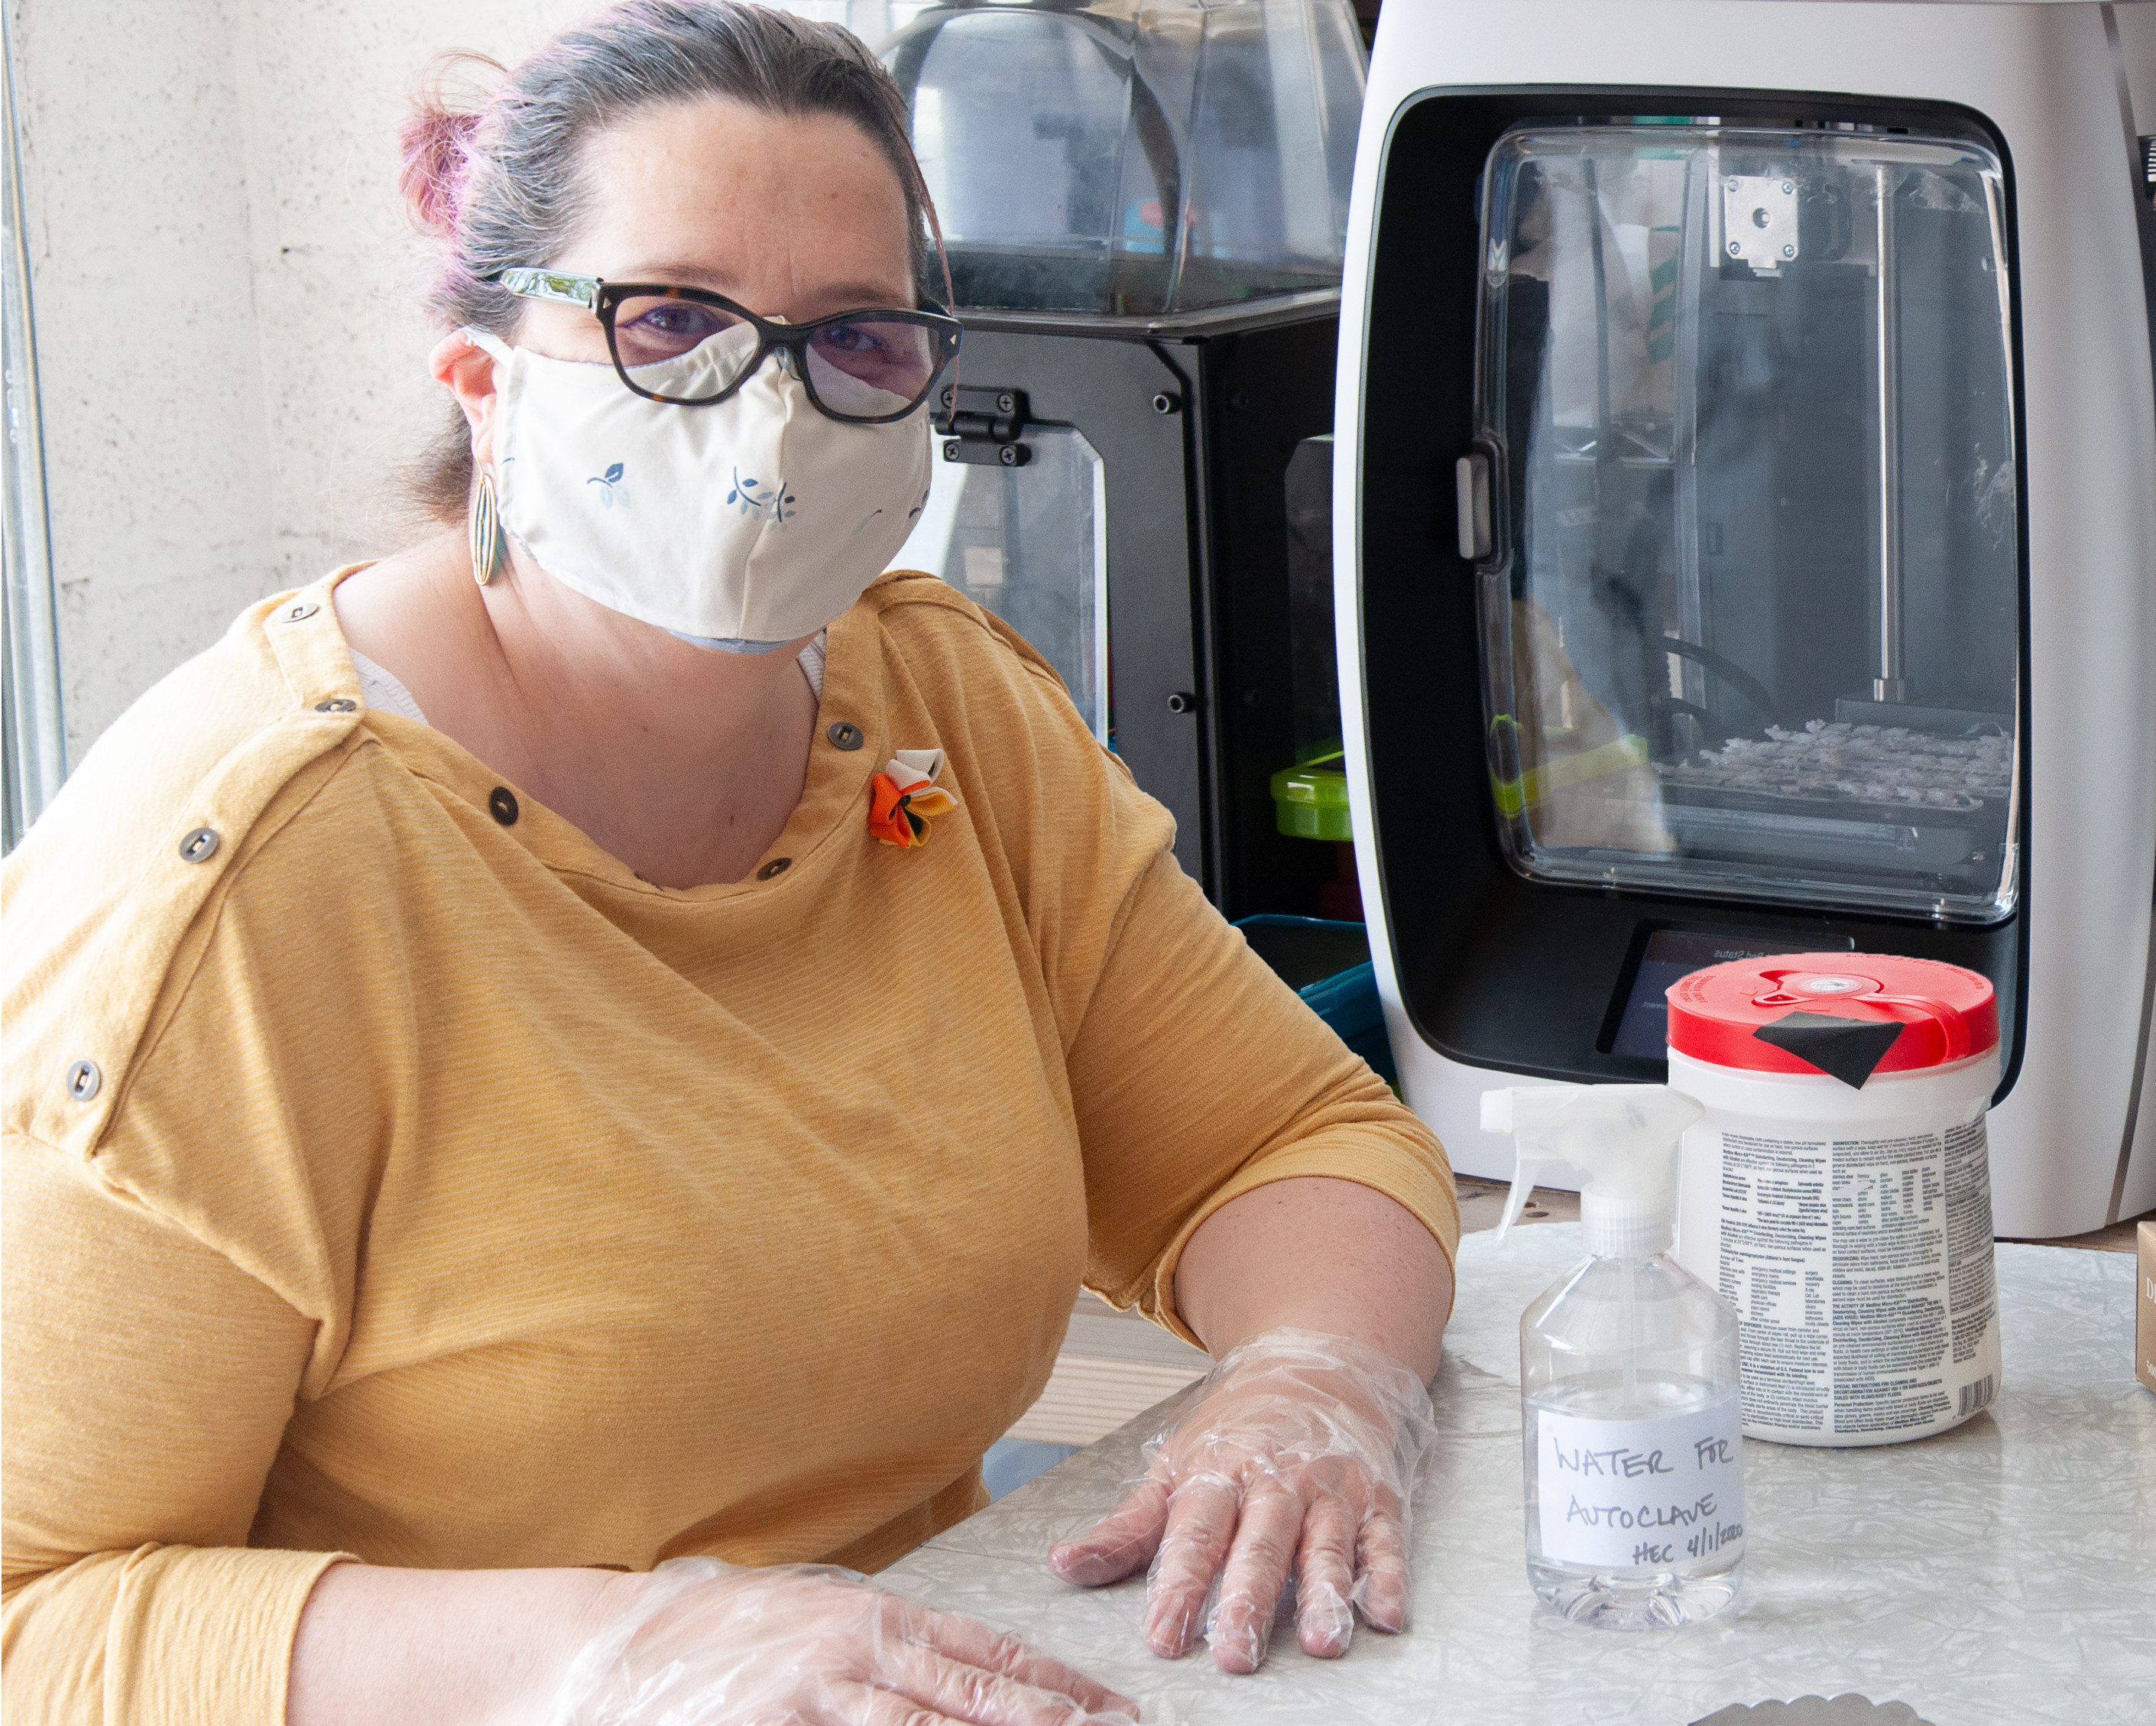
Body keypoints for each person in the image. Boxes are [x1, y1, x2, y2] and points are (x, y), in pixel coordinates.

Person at [0, 5, 1455, 1723]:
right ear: (479, 381)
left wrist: (1308, 1375)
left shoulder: (940, 719)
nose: (765, 410)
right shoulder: (254, 885)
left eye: (852, 338)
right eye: (667, 320)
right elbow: (41, 1615)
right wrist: (597, 1655)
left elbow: (1294, 1137)